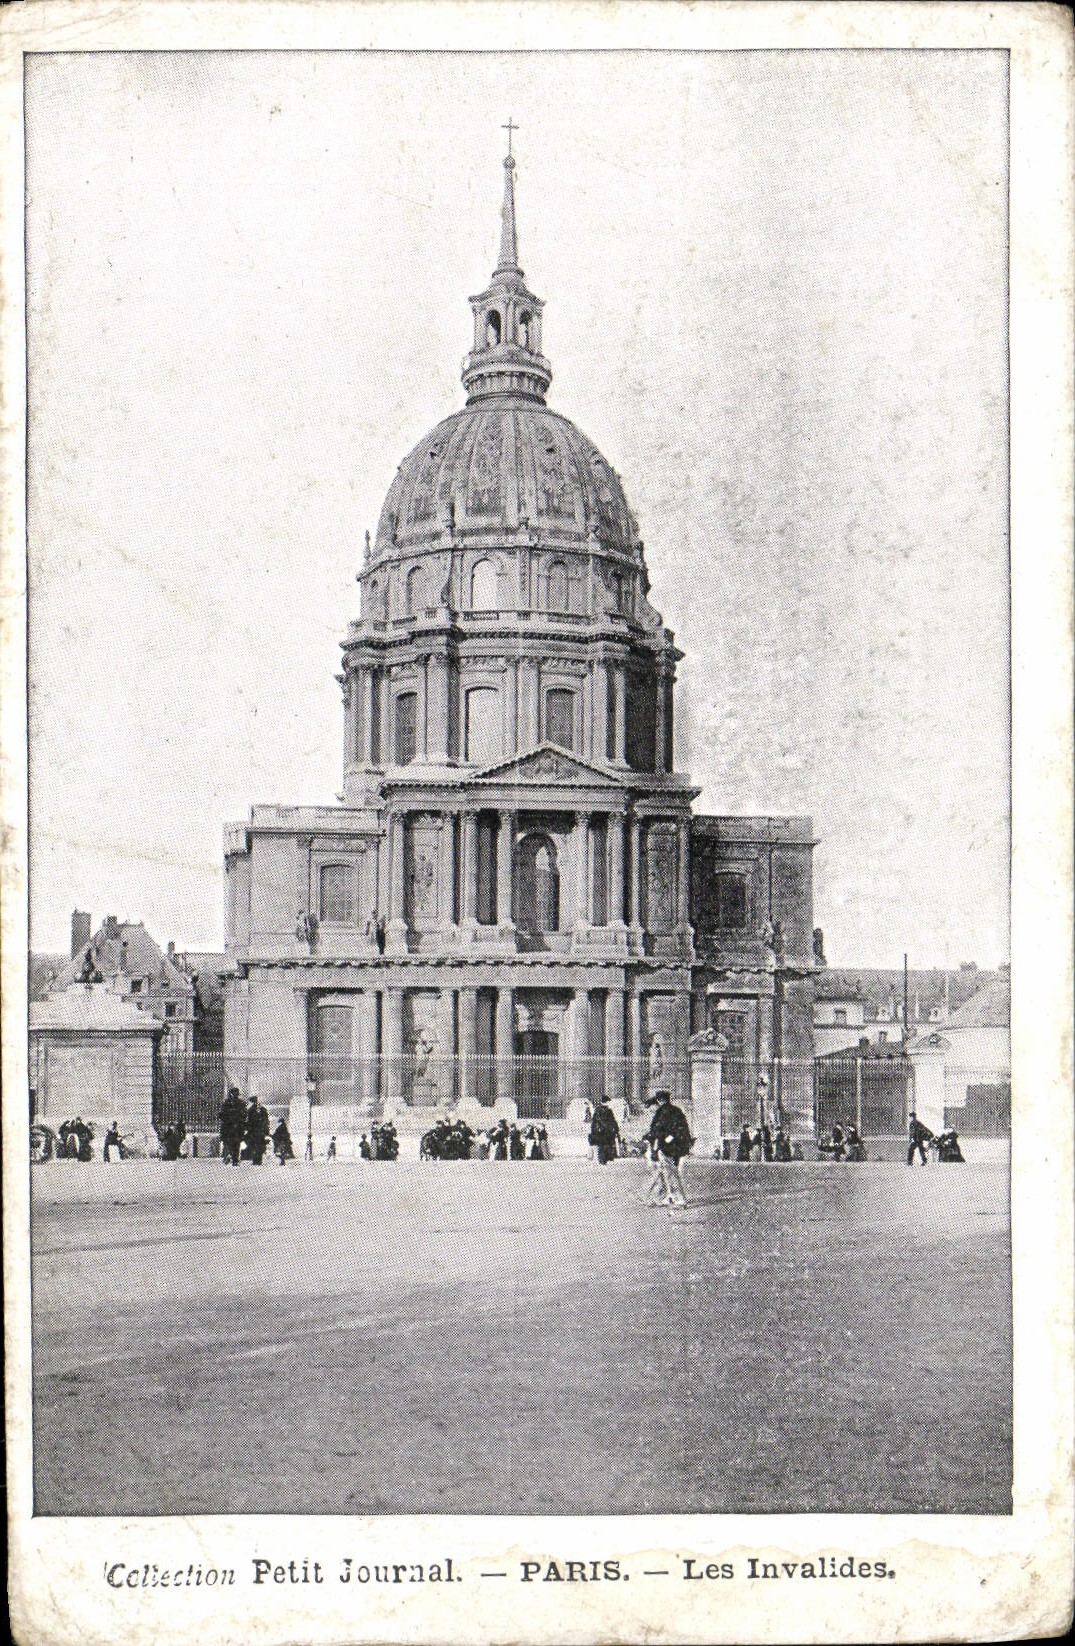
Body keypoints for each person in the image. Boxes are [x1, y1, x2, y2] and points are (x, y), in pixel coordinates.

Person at [644, 1088, 694, 1208]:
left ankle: (680, 1199)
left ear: (660, 1100)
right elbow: (681, 1129)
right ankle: (663, 1196)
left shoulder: (663, 1112)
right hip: (678, 1147)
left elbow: (659, 1130)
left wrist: (663, 1140)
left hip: (667, 1147)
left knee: (669, 1171)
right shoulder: (676, 1110)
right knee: (663, 1171)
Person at [588, 1096, 621, 1165]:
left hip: (599, 1131)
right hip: (606, 1131)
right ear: (606, 1102)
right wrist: (616, 1129)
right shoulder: (608, 1110)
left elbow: (594, 1122)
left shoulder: (597, 1110)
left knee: (601, 1145)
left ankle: (602, 1159)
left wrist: (593, 1130)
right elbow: (613, 1121)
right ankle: (605, 1159)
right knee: (606, 1145)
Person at [219, 1086, 245, 1166]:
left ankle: (228, 1155)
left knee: (228, 1142)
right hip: (237, 1127)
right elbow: (244, 1115)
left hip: (228, 1127)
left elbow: (221, 1115)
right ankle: (235, 1159)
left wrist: (227, 1120)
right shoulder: (241, 1103)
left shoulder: (226, 1103)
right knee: (236, 1144)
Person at [243, 1096, 271, 1165]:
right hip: (261, 1130)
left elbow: (248, 1121)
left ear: (251, 1101)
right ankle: (258, 1159)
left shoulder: (250, 1110)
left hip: (253, 1130)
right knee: (260, 1144)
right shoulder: (262, 1109)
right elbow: (266, 1121)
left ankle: (255, 1160)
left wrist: (246, 1128)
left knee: (254, 1144)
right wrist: (266, 1131)